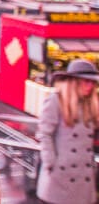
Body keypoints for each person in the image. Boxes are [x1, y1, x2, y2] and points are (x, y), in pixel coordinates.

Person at [35, 58, 99, 204]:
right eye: (86, 81)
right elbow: (45, 134)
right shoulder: (55, 100)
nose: (90, 86)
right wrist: (51, 163)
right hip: (60, 177)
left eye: (92, 82)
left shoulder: (91, 104)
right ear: (73, 81)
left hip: (83, 178)